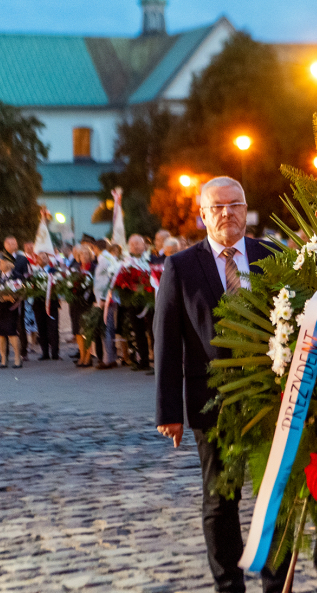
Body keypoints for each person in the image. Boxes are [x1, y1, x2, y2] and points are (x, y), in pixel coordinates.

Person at [155, 176, 291, 593]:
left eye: (235, 205)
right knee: (220, 500)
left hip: (270, 400)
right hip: (211, 400)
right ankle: (229, 584)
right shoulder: (181, 266)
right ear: (202, 215)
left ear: (247, 209)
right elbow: (166, 340)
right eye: (217, 207)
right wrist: (169, 412)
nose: (227, 213)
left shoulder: (273, 256)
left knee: (277, 498)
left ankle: (276, 583)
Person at [126, 234, 153, 370]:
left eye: (138, 243)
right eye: (133, 244)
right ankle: (143, 360)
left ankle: (155, 360)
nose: (136, 246)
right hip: (133, 301)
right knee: (138, 331)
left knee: (152, 331)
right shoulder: (126, 261)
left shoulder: (150, 259)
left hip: (149, 301)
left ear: (144, 245)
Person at [0, 252, 23, 369]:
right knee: (0, 334)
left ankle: (17, 358)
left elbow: (20, 292)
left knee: (12, 333)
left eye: (1, 262)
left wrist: (10, 297)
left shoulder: (16, 275)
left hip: (11, 308)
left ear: (7, 263)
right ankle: (3, 358)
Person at [33, 252, 61, 361]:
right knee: (41, 329)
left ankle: (55, 353)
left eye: (44, 257)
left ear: (48, 259)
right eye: (39, 258)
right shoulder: (35, 272)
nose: (42, 259)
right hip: (38, 304)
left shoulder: (53, 271)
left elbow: (59, 285)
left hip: (51, 304)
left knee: (53, 329)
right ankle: (45, 353)